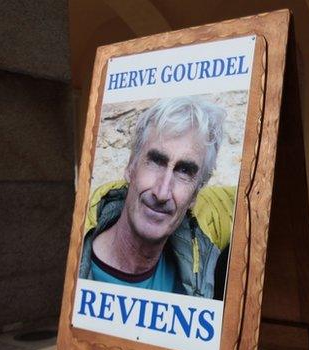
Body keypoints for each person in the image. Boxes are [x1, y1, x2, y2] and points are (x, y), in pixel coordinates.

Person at [78, 97, 225, 299]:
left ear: (195, 194)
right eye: (156, 161)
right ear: (131, 166)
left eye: (184, 171)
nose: (162, 192)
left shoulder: (204, 270)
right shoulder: (72, 262)